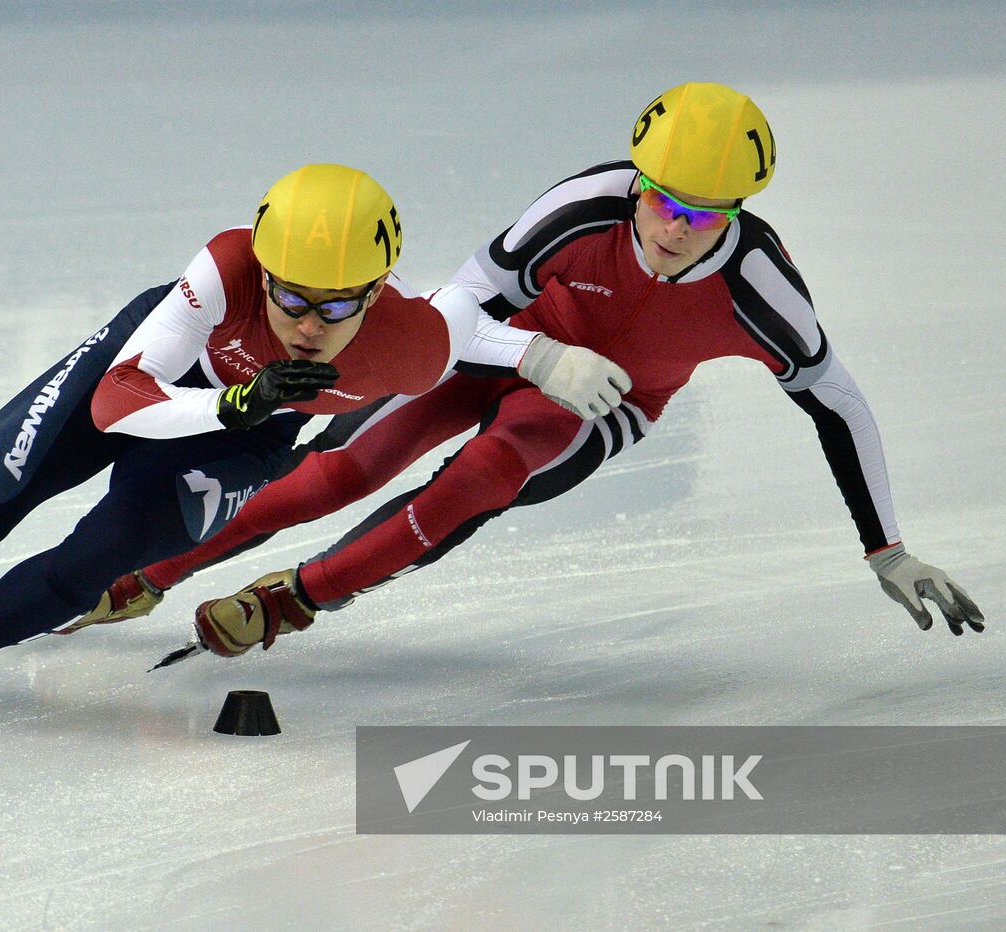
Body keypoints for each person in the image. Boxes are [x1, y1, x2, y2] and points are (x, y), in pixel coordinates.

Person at [72, 82, 984, 659]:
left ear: (740, 212)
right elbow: (450, 309)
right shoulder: (583, 206)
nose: (674, 226)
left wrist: (886, 545)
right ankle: (154, 567)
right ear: (639, 177)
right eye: (662, 198)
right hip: (501, 344)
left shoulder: (762, 293)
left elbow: (838, 403)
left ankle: (291, 602)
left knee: (485, 473)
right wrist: (538, 351)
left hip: (604, 407)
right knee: (343, 470)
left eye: (706, 217)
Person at [0, 163, 551, 716]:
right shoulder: (227, 266)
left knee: (101, 556)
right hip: (156, 382)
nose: (309, 323)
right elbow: (121, 402)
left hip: (244, 439)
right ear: (262, 272)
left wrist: (546, 355)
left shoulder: (415, 344)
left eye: (338, 304)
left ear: (382, 288)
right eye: (290, 295)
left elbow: (471, 328)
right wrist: (233, 400)